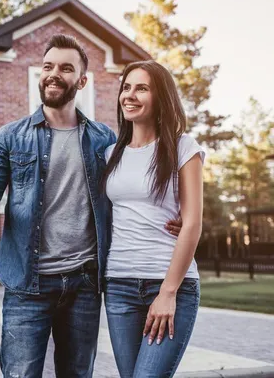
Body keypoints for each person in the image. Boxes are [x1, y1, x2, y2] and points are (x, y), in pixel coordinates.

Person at [0, 34, 182, 377]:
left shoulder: (106, 140)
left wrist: (178, 217)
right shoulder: (11, 136)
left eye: (66, 68)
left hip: (84, 284)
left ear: (82, 81)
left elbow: (133, 194)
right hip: (28, 284)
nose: (54, 73)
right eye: (48, 66)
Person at [102, 60, 204, 378]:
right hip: (118, 286)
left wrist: (167, 293)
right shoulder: (109, 154)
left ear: (161, 97)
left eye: (141, 88)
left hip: (170, 283)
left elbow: (192, 223)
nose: (130, 95)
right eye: (127, 87)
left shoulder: (182, 147)